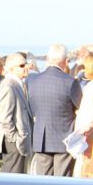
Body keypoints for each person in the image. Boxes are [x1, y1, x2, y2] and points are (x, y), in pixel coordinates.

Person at [26, 43, 83, 176]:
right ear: (65, 61)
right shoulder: (69, 82)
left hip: (41, 136)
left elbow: (31, 106)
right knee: (62, 182)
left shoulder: (33, 81)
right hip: (64, 137)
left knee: (43, 182)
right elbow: (81, 107)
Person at [0, 52, 33, 173]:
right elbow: (4, 117)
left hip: (21, 139)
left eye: (26, 64)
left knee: (19, 177)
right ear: (11, 68)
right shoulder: (8, 85)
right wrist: (15, 138)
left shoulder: (20, 84)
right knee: (12, 177)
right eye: (21, 65)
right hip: (14, 141)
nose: (26, 67)